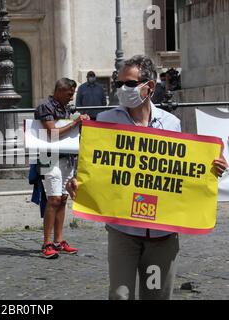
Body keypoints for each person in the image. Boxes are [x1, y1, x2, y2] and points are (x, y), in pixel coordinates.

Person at [67, 55, 228, 300]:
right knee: (120, 295)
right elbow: (96, 169)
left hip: (162, 234)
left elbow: (181, 173)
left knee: (156, 295)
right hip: (123, 230)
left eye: (129, 84)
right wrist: (78, 184)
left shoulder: (171, 123)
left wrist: (212, 168)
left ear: (149, 87)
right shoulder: (107, 121)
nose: (122, 90)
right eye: (118, 83)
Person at [34, 78, 90, 259]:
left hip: (66, 157)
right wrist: (74, 123)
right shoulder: (45, 106)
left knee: (64, 199)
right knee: (54, 199)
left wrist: (82, 122)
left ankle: (58, 241)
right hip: (48, 157)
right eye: (69, 94)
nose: (71, 97)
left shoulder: (65, 108)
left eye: (72, 94)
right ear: (59, 91)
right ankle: (47, 243)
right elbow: (52, 133)